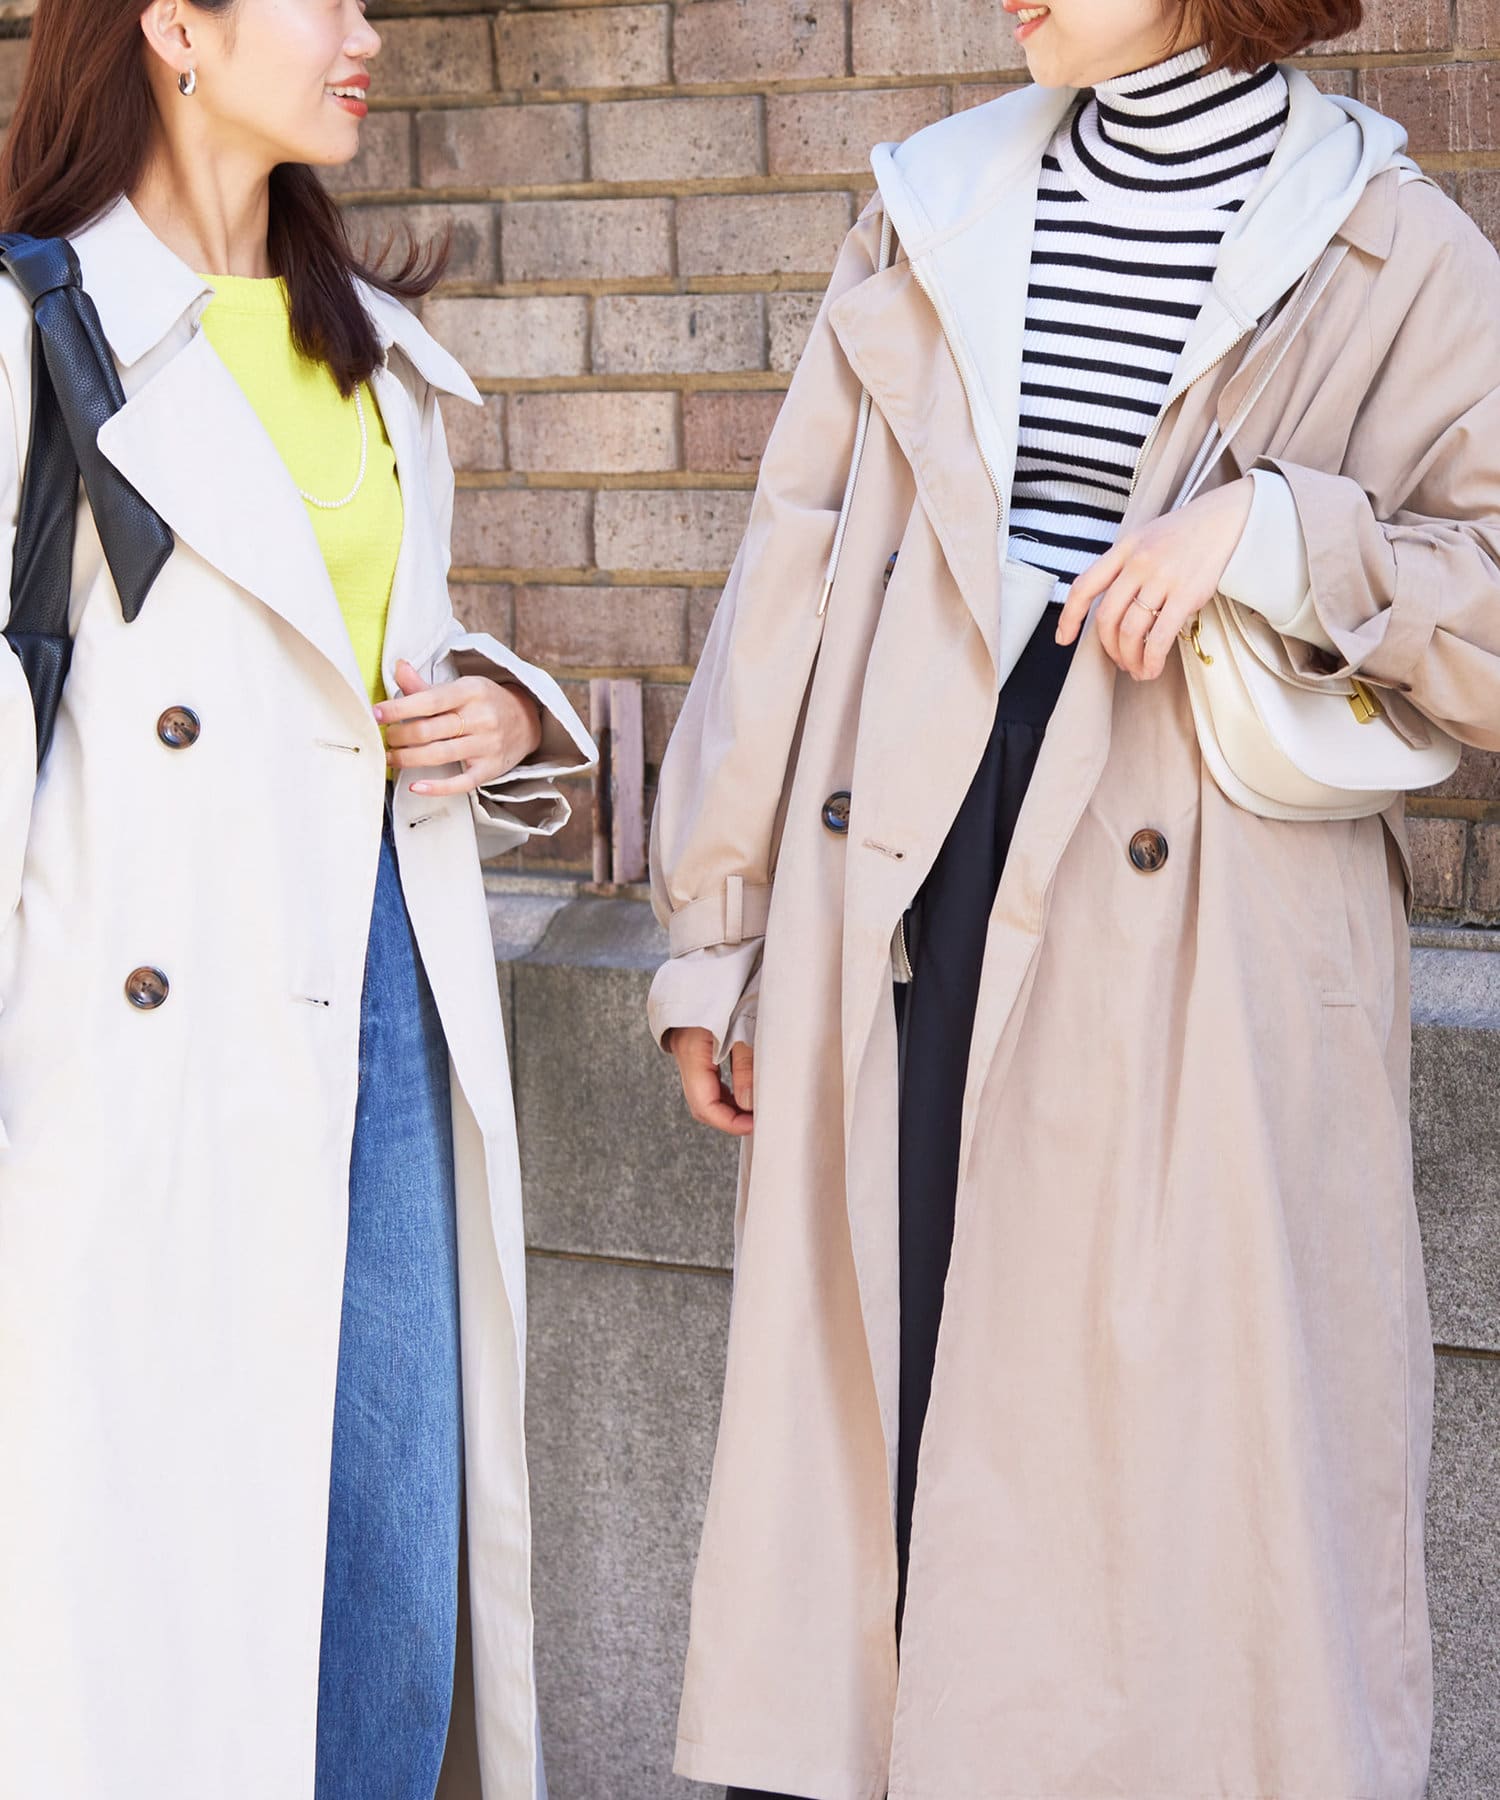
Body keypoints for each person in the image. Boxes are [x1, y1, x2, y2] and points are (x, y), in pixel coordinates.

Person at [647, 1, 1500, 1795]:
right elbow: (791, 561)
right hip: (913, 865)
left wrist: (1275, 532)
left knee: (1166, 1486)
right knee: (895, 1419)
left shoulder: (1387, 243)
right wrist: (715, 925)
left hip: (1205, 925)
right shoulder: (930, 206)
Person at [0, 2, 594, 1796]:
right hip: (136, 1029)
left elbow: (369, 649)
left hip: (383, 979)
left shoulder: (376, 350)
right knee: (175, 1587)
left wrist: (496, 703)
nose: (367, 34)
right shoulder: (37, 330)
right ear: (175, 26)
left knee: (389, 1553)